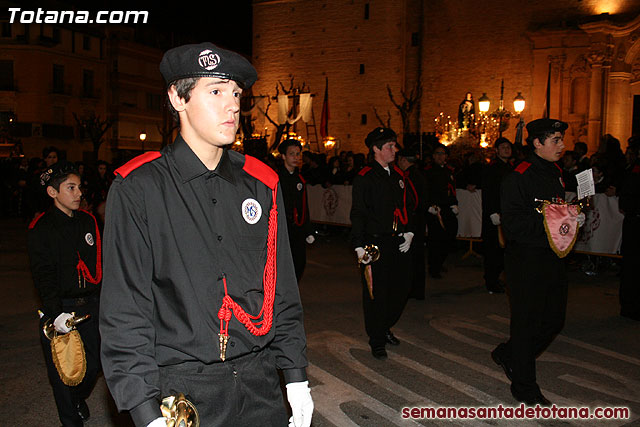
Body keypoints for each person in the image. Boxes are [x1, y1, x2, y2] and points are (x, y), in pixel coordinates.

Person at [100, 42, 313, 427]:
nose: (232, 105)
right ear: (177, 99)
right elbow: (125, 310)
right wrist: (144, 411)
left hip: (260, 383)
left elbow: (282, 290)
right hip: (182, 392)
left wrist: (295, 376)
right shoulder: (139, 188)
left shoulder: (262, 184)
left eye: (235, 93)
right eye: (215, 91)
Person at [491, 118, 584, 405]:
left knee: (554, 319)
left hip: (552, 257)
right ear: (537, 143)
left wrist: (571, 217)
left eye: (561, 139)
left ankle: (510, 354)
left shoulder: (555, 172)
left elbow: (554, 211)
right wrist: (557, 222)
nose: (562, 145)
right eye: (555, 140)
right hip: (526, 260)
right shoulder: (519, 176)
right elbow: (515, 225)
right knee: (526, 323)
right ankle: (524, 385)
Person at [27, 161, 102, 426]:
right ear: (52, 193)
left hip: (90, 307)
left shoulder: (89, 221)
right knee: (62, 372)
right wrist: (54, 312)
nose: (79, 194)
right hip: (61, 309)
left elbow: (99, 265)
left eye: (79, 187)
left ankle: (77, 398)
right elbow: (43, 275)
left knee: (92, 366)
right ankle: (71, 419)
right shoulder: (42, 228)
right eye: (70, 188)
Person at [350, 127, 414, 360]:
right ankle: (377, 338)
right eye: (390, 146)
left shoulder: (397, 175)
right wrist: (358, 245)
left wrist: (409, 232)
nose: (395, 150)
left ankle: (384, 324)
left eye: (395, 145)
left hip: (396, 241)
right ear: (376, 149)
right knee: (376, 293)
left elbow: (406, 207)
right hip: (373, 243)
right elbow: (358, 212)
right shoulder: (365, 177)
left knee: (402, 288)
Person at [278, 138, 316, 282]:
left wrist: (308, 229)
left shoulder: (300, 179)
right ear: (283, 156)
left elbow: (304, 206)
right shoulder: (277, 178)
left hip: (298, 230)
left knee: (299, 264)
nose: (296, 158)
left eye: (298, 154)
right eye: (292, 154)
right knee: (283, 268)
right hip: (283, 230)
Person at [481, 137, 514, 294]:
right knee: (493, 249)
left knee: (504, 251)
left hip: (507, 214)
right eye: (503, 147)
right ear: (496, 150)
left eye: (509, 147)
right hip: (495, 214)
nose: (507, 149)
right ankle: (491, 281)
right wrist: (492, 212)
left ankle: (497, 278)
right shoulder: (492, 168)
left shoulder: (511, 168)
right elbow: (488, 192)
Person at [397, 147, 427, 300]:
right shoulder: (418, 174)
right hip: (418, 219)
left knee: (412, 256)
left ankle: (412, 289)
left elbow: (412, 200)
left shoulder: (409, 176)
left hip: (413, 220)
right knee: (417, 255)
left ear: (403, 159)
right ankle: (416, 289)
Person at [424, 144, 458, 279]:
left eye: (442, 153)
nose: (440, 156)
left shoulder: (449, 171)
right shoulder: (428, 171)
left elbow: (451, 189)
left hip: (447, 208)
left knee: (450, 235)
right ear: (433, 156)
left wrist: (455, 204)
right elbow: (425, 191)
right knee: (435, 239)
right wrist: (428, 206)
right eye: (437, 153)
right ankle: (434, 267)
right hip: (435, 209)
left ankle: (439, 261)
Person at [619, 144, 640, 321]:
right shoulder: (634, 171)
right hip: (636, 224)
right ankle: (630, 306)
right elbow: (626, 201)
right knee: (633, 266)